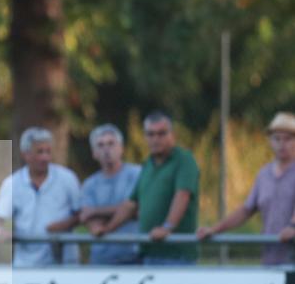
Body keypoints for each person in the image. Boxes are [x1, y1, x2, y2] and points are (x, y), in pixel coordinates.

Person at [97, 111, 199, 265]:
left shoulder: (184, 160)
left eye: (161, 134)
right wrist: (108, 229)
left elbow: (182, 195)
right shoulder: (148, 165)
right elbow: (131, 204)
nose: (155, 139)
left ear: (172, 135)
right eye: (150, 134)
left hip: (176, 255)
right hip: (149, 252)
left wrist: (167, 228)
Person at [197, 112, 295, 265]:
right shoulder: (264, 175)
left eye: (288, 138)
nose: (282, 144)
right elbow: (246, 210)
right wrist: (214, 229)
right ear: (270, 141)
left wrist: (292, 226)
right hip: (272, 257)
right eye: (277, 138)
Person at [0, 127, 82, 266]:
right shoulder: (12, 183)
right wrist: (2, 233)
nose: (45, 157)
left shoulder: (68, 179)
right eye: (40, 152)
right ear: (26, 154)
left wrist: (64, 225)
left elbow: (81, 214)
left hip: (65, 264)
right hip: (26, 265)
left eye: (48, 151)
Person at [80, 124, 141, 265]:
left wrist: (96, 211)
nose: (106, 149)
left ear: (121, 148)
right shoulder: (89, 184)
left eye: (111, 143)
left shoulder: (137, 174)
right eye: (100, 145)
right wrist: (123, 211)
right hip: (102, 258)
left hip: (135, 256)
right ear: (94, 153)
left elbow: (137, 209)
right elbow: (87, 216)